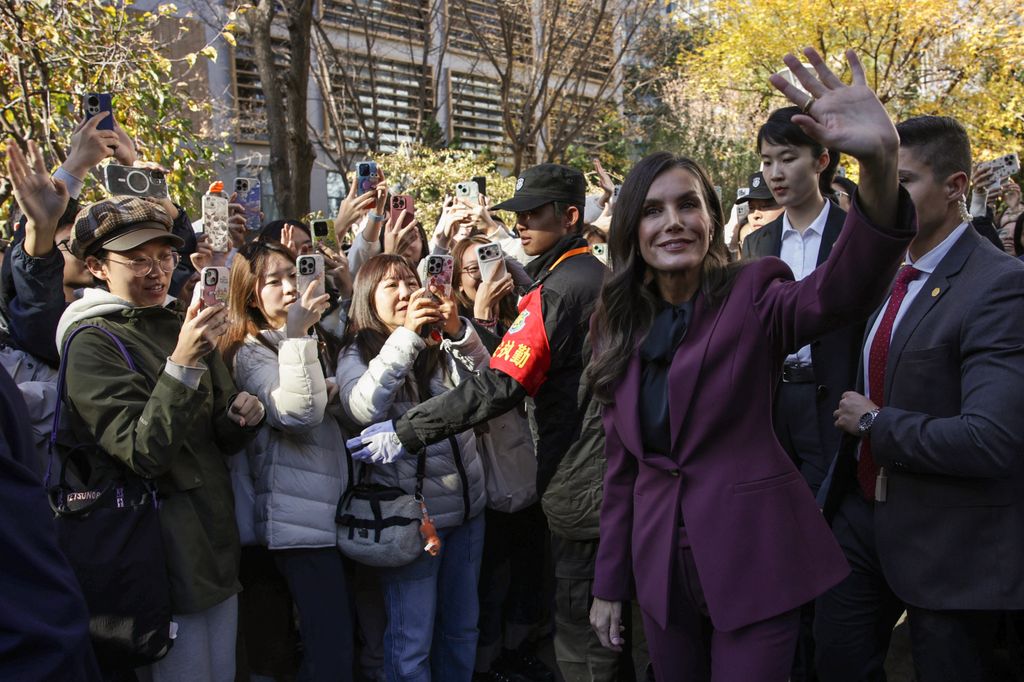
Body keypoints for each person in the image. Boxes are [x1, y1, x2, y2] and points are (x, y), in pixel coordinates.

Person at [586, 48, 915, 680]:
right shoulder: (615, 324)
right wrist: (610, 581)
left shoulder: (754, 291)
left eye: (688, 205)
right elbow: (621, 469)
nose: (673, 222)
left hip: (754, 557)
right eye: (653, 210)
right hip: (660, 571)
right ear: (630, 227)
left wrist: (880, 163)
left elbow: (842, 289)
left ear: (712, 218)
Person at [818, 115, 1024, 681]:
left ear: (957, 187)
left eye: (901, 181)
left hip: (949, 541)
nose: (883, 197)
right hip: (857, 521)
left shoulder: (1001, 284)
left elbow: (992, 438)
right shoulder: (883, 270)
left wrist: (876, 423)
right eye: (875, 183)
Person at [55, 195, 265, 681]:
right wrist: (183, 362)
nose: (156, 271)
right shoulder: (90, 342)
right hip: (155, 550)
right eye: (137, 259)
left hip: (213, 539)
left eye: (164, 257)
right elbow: (142, 452)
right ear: (96, 267)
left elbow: (218, 429)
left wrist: (243, 415)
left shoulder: (178, 322)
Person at [337, 253, 488, 682]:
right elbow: (362, 407)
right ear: (369, 297)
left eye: (409, 281)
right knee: (410, 642)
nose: (405, 292)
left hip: (468, 509)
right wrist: (404, 338)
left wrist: (458, 331)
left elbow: (492, 384)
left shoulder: (439, 342)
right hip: (412, 521)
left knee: (462, 630)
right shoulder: (358, 349)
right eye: (391, 286)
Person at [220, 237, 354, 681]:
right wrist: (297, 335)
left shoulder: (313, 336)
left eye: (293, 274)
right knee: (328, 650)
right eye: (273, 280)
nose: (289, 287)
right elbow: (296, 414)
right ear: (250, 295)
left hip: (323, 510)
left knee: (332, 641)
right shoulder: (249, 349)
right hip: (294, 521)